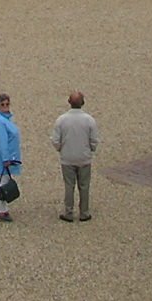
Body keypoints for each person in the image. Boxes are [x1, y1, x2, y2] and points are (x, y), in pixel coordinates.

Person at [50, 90, 99, 221]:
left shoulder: (61, 120)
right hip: (84, 158)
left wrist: (61, 149)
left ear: (69, 102)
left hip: (67, 158)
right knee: (84, 186)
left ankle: (69, 212)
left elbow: (55, 140)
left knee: (69, 186)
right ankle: (84, 212)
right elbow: (94, 140)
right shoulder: (89, 120)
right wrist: (90, 150)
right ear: (83, 103)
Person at [0, 91, 21, 221]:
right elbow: (2, 142)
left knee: (2, 182)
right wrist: (6, 158)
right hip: (3, 160)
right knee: (1, 183)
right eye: (3, 105)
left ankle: (1, 208)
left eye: (7, 104)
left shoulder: (4, 120)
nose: (6, 107)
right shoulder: (0, 122)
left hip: (4, 159)